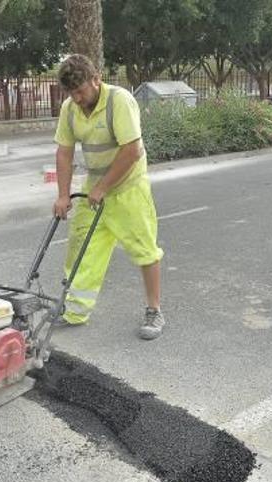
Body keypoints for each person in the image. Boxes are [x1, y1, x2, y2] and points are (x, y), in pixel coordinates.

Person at [51, 54, 165, 340]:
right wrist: (63, 195)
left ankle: (154, 310)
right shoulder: (70, 109)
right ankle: (75, 309)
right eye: (71, 93)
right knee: (81, 247)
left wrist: (103, 188)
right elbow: (64, 152)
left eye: (81, 91)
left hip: (128, 188)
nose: (77, 98)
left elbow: (132, 150)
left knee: (144, 250)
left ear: (96, 79)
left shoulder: (120, 101)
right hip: (94, 187)